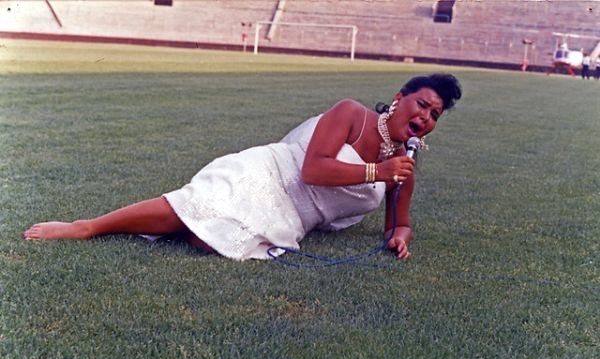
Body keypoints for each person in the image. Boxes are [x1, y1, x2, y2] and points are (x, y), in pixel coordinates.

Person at [24, 73, 462, 261]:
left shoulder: (404, 163)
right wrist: (376, 174)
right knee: (198, 206)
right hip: (272, 173)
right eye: (422, 104)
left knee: (205, 243)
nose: (424, 117)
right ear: (400, 96)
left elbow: (396, 223)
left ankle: (193, 230)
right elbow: (313, 170)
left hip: (294, 218)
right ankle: (89, 226)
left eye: (434, 115)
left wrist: (399, 238)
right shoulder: (352, 113)